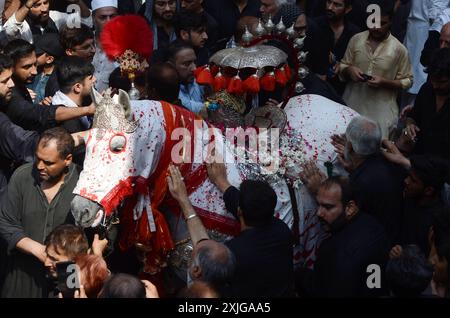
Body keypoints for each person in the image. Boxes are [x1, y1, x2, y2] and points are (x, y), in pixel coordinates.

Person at [0, 127, 84, 297]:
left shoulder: (83, 183)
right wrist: (40, 251)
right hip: (22, 272)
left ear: (67, 159)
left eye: (48, 162)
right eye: (38, 158)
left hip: (68, 274)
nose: (39, 166)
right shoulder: (23, 176)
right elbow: (5, 223)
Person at [206, 163, 295, 297]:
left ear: (239, 211)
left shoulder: (231, 253)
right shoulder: (281, 230)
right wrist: (221, 182)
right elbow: (249, 207)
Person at [296, 176, 389, 297]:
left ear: (350, 208)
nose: (319, 213)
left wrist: (299, 276)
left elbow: (320, 289)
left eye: (327, 207)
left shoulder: (333, 251)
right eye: (318, 205)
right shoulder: (374, 226)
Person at [339, 0, 413, 138]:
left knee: (376, 154)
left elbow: (408, 80)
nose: (376, 27)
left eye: (382, 23)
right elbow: (342, 66)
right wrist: (349, 70)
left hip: (381, 116)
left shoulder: (399, 50)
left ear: (391, 22)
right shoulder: (356, 40)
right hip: (351, 107)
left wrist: (385, 82)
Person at [332, 116, 406, 245]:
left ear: (349, 147)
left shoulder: (360, 183)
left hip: (377, 245)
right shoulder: (390, 162)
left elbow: (347, 220)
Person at [3, 39, 96, 132]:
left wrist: (39, 106)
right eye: (27, 67)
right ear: (11, 67)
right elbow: (40, 114)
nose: (34, 71)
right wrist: (88, 110)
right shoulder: (9, 94)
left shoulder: (20, 86)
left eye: (35, 64)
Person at [403, 48, 450, 160]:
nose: (435, 86)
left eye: (442, 82)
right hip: (418, 159)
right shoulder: (427, 89)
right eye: (433, 80)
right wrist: (410, 126)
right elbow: (413, 117)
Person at [313, 0, 360, 95]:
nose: (330, 7)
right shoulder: (314, 25)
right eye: (328, 2)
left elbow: (356, 61)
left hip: (340, 90)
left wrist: (343, 66)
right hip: (314, 87)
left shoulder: (354, 33)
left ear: (347, 9)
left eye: (337, 5)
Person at [3, 0, 92, 43]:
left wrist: (78, 1)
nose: (44, 9)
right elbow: (8, 31)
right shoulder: (22, 26)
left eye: (45, 3)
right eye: (37, 5)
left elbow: (86, 22)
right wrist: (27, 6)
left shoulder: (54, 16)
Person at [45, 23, 96, 97]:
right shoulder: (60, 81)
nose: (93, 50)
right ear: (70, 51)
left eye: (93, 44)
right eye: (86, 47)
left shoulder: (83, 68)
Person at [167, 41, 206, 114]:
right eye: (186, 64)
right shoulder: (168, 90)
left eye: (194, 62)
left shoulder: (195, 80)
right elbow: (201, 112)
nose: (194, 68)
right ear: (171, 65)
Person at [91, 0, 119, 93]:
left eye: (112, 16)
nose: (109, 21)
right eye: (103, 17)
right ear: (93, 18)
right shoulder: (84, 41)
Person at [28, 33, 62, 104]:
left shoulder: (58, 81)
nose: (33, 56)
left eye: (37, 54)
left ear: (49, 59)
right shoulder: (32, 71)